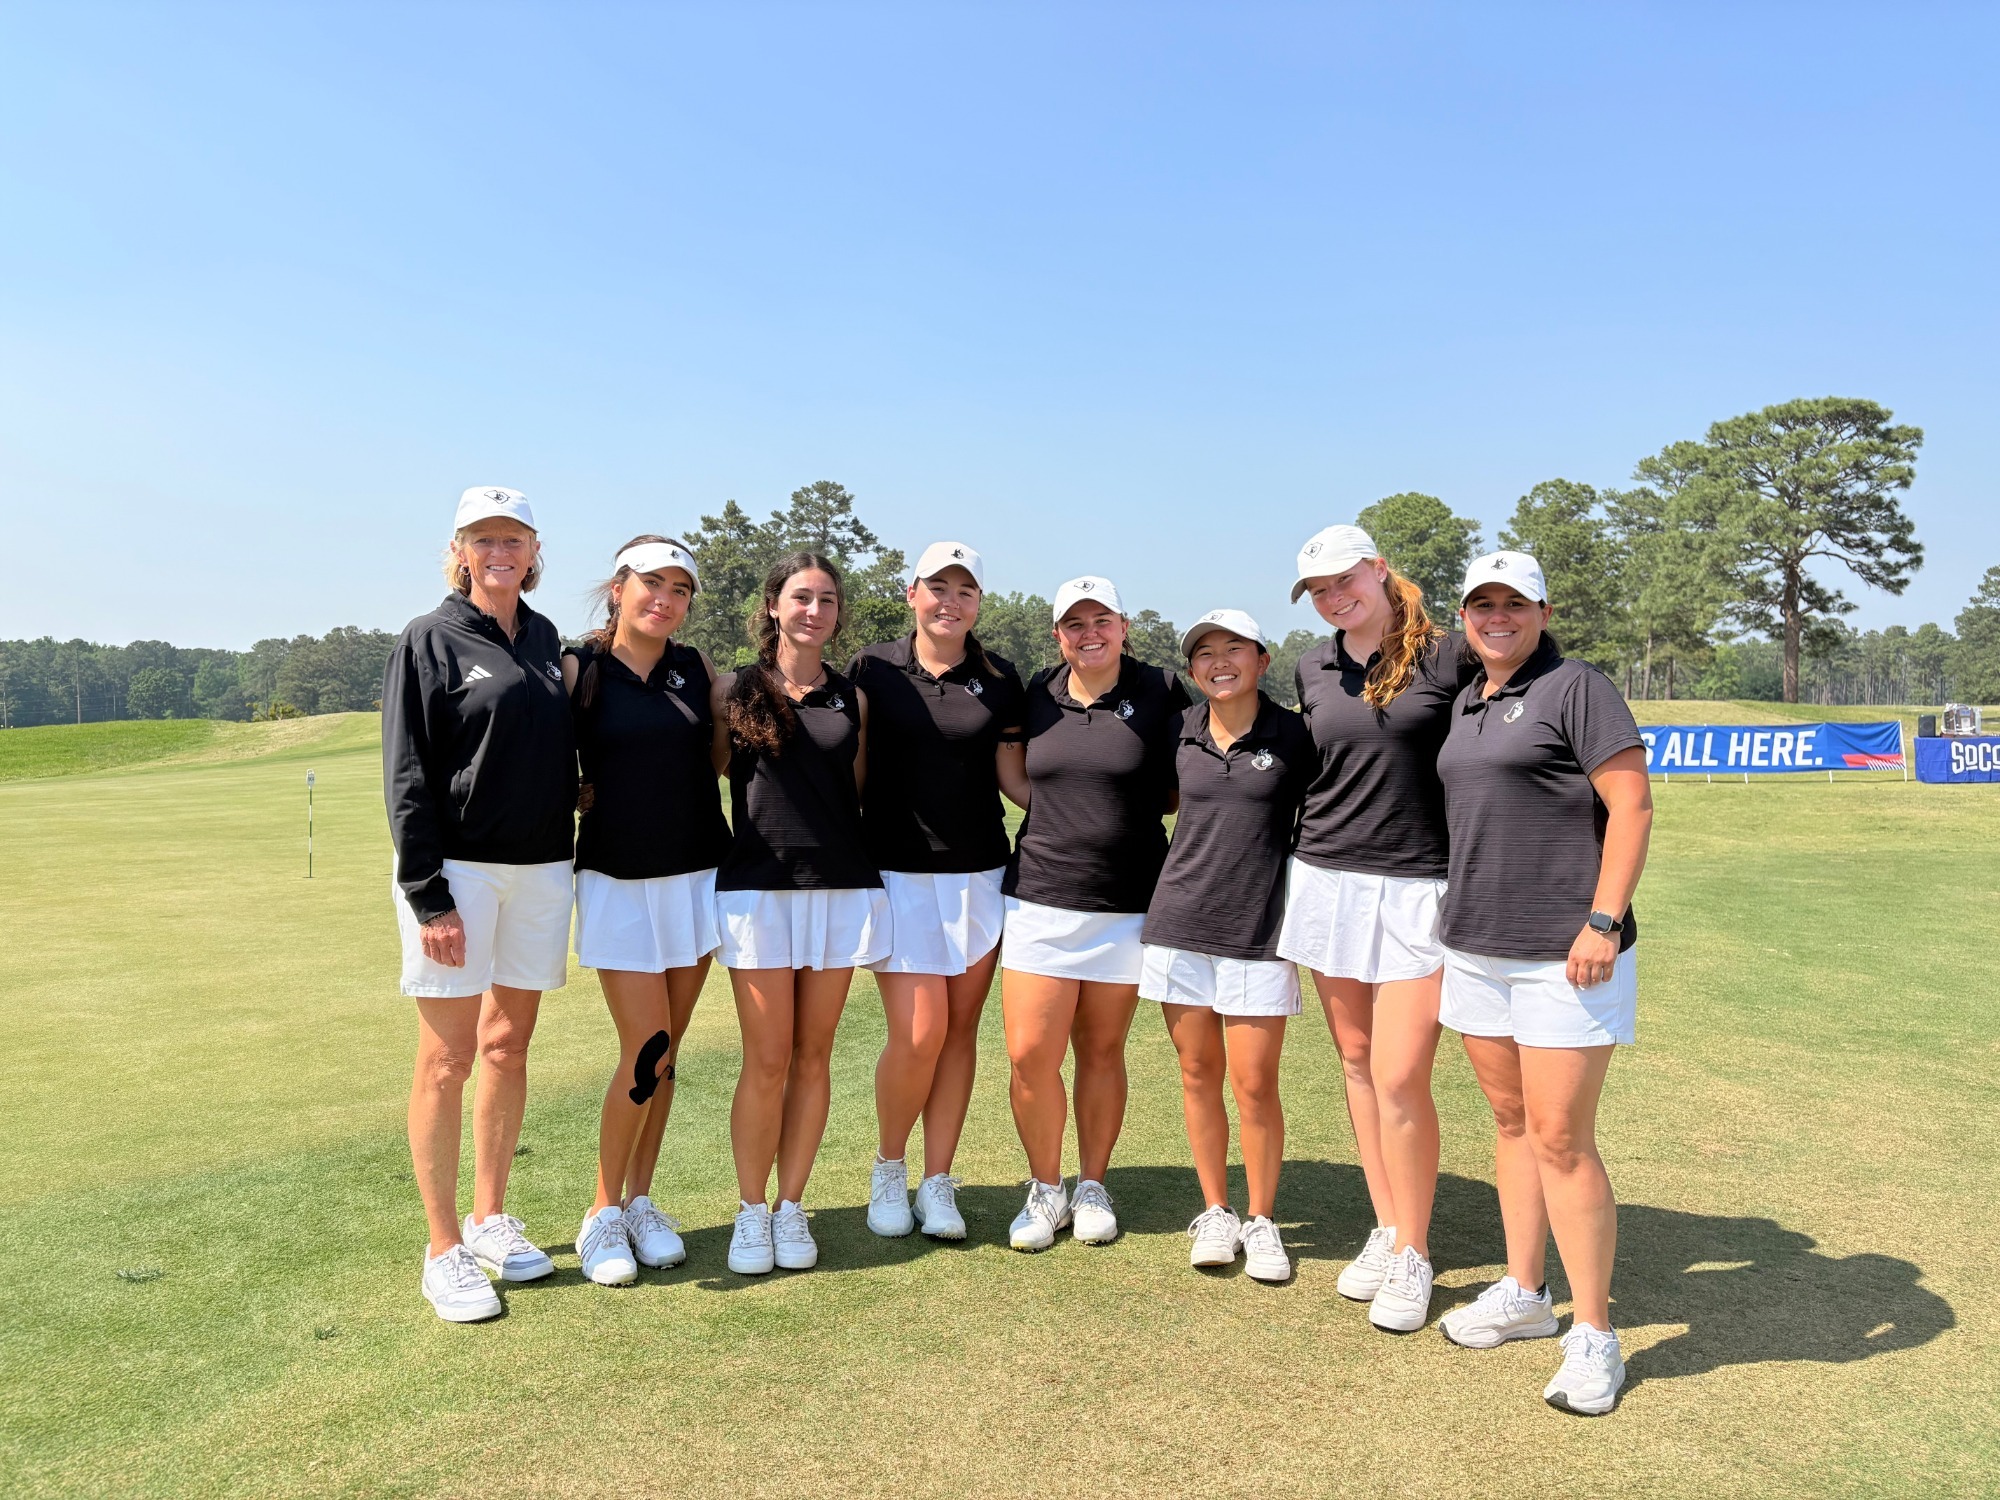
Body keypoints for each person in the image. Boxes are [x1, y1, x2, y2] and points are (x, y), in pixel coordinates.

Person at [1431, 550, 1653, 1417]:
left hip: (1567, 951)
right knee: (1513, 1124)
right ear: (1465, 617)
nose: (1497, 617)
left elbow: (1630, 806)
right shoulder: (1467, 699)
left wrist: (1602, 922)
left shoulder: (1579, 688)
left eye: (1513, 604)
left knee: (1563, 1139)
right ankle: (1526, 1292)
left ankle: (1594, 1333)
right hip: (1479, 945)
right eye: (1481, 605)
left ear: (1543, 610)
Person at [1275, 523, 1479, 1332]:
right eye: (1319, 588)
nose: (1334, 596)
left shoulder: (1449, 655)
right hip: (1326, 879)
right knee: (1358, 1065)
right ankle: (1389, 1223)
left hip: (1419, 887)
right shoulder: (1311, 665)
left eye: (1345, 579)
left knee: (1399, 1075)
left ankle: (1415, 1253)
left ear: (1380, 570)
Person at [383, 486, 578, 1323]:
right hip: (457, 873)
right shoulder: (428, 639)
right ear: (459, 550)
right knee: (448, 1059)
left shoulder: (543, 639)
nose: (501, 552)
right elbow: (408, 772)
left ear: (535, 552)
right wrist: (429, 897)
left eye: (515, 538)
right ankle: (442, 1250)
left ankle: (490, 1217)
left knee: (508, 1046)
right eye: (485, 538)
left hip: (541, 868)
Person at [1001, 576, 1190, 1251]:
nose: (1089, 633)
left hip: (1127, 900)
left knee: (1101, 1050)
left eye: (1101, 620)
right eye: (1075, 623)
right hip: (1041, 896)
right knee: (1029, 1054)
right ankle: (1046, 1188)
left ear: (1123, 625)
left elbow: (1177, 784)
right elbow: (1015, 770)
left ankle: (1091, 1185)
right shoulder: (1037, 691)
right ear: (1058, 634)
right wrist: (1059, 817)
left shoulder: (1161, 688)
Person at [562, 537, 732, 1286]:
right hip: (618, 880)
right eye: (649, 584)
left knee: (666, 1059)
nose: (664, 599)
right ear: (618, 587)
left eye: (679, 589)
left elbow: (722, 754)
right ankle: (600, 1214)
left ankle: (640, 1201)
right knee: (646, 1046)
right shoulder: (578, 667)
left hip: (696, 874)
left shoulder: (694, 669)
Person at [714, 552, 890, 1275]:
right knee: (766, 1059)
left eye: (826, 600)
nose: (813, 610)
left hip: (839, 889)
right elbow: (709, 780)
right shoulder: (736, 690)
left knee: (814, 1056)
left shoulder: (854, 699)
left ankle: (792, 1206)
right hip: (758, 892)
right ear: (773, 606)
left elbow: (854, 789)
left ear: (838, 613)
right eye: (800, 597)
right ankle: (751, 1212)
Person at [848, 542, 1028, 1241]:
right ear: (911, 594)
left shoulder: (998, 676)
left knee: (958, 1036)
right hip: (897, 873)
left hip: (981, 874)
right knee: (918, 1034)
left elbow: (1014, 779)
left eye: (965, 590)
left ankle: (938, 1179)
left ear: (978, 602)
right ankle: (889, 1167)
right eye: (938, 587)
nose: (950, 601)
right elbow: (853, 769)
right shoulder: (871, 667)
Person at [1140, 610, 1313, 1283]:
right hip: (1180, 924)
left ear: (1262, 660)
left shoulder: (1295, 734)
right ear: (1191, 670)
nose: (1219, 661)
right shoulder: (1179, 731)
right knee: (1196, 1075)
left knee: (1254, 1083)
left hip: (1259, 930)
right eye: (1204, 652)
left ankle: (1262, 1219)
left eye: (1233, 648)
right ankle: (1216, 1210)